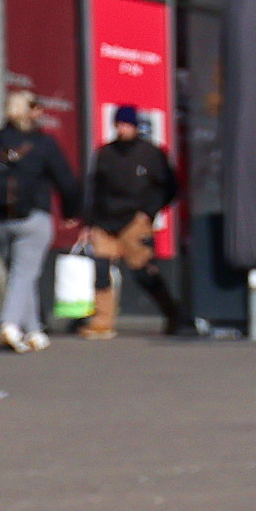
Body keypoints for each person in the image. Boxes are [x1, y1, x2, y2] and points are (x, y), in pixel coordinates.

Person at [0, 85, 77, 357]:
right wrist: (72, 212)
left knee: (19, 275)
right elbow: (66, 181)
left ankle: (35, 330)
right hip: (33, 217)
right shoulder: (44, 144)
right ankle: (10, 324)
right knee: (24, 274)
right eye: (37, 108)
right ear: (31, 112)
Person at [75, 105, 190, 339]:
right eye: (118, 125)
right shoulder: (105, 153)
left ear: (136, 127)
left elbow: (169, 187)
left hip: (135, 221)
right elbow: (94, 189)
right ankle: (103, 321)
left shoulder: (151, 153)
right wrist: (88, 222)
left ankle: (173, 314)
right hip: (105, 222)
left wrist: (148, 212)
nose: (122, 129)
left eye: (126, 125)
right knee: (102, 270)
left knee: (144, 272)